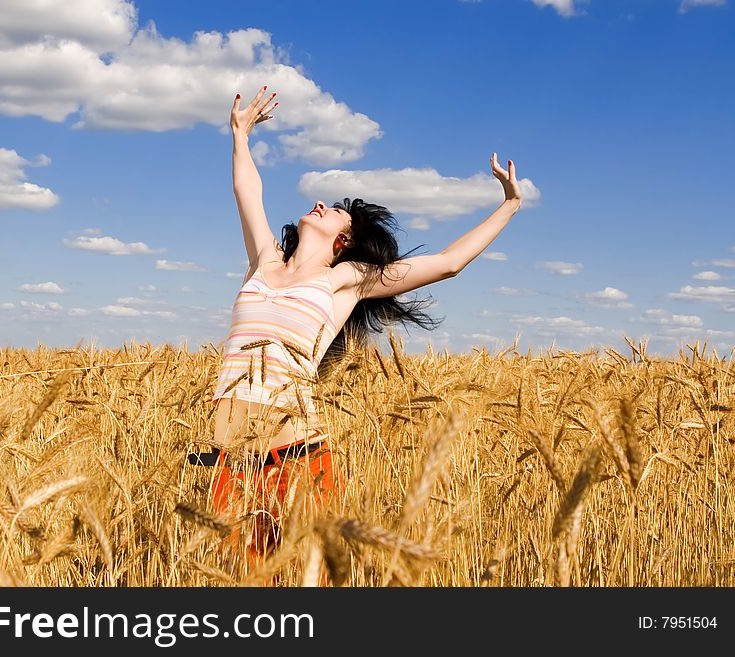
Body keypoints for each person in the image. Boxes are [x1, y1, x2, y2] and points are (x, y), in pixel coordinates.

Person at [193, 85, 523, 577]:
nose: (320, 203)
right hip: (228, 461)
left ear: (343, 240)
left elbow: (448, 263)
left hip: (298, 456)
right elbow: (248, 192)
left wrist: (511, 204)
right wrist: (240, 135)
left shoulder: (344, 281)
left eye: (334, 210)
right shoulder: (264, 260)